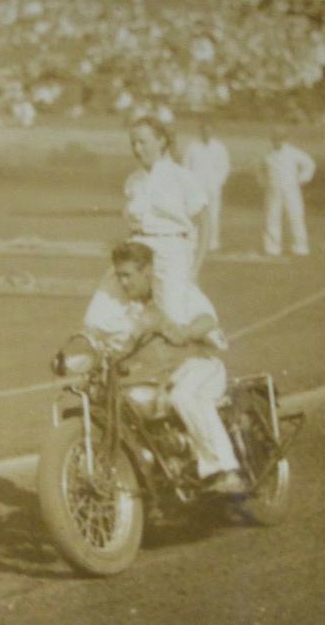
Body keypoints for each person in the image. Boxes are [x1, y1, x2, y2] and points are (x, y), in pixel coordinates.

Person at [84, 241, 242, 494]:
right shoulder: (120, 304)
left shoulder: (174, 290)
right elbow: (98, 329)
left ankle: (224, 470)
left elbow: (207, 318)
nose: (123, 282)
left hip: (197, 365)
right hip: (158, 377)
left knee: (183, 395)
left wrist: (183, 331)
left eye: (128, 275)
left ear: (147, 271)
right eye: (119, 275)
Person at [121, 115, 212, 324]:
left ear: (161, 141)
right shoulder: (133, 181)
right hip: (136, 255)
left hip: (171, 254)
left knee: (173, 319)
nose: (137, 149)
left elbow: (205, 224)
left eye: (142, 142)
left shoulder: (183, 178)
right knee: (114, 315)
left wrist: (194, 269)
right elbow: (134, 226)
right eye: (133, 143)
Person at [258, 129, 316, 256]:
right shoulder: (268, 155)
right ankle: (272, 247)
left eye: (280, 139)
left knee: (295, 217)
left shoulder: (294, 153)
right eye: (275, 139)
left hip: (291, 190)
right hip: (273, 190)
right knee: (272, 218)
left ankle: (300, 247)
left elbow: (309, 164)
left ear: (285, 139)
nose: (277, 141)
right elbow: (260, 170)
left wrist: (302, 179)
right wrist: (264, 183)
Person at [183, 119, 230, 251]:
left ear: (212, 131)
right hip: (195, 188)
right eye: (204, 131)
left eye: (209, 131)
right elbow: (185, 167)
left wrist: (218, 182)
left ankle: (212, 242)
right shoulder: (192, 147)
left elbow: (225, 167)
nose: (206, 133)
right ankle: (194, 242)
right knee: (194, 214)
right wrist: (190, 185)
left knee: (213, 215)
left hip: (213, 187)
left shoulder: (219, 148)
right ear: (200, 131)